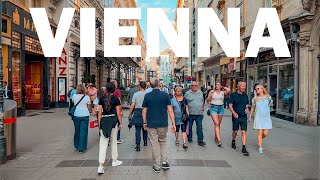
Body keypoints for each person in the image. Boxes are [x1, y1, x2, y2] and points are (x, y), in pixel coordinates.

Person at [142, 78, 176, 173]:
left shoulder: (147, 96)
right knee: (163, 141)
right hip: (163, 123)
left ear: (151, 85)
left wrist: (144, 122)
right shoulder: (165, 95)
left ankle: (157, 165)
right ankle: (165, 162)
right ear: (159, 84)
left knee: (154, 143)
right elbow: (170, 110)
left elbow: (144, 110)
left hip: (151, 124)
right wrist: (173, 123)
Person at [97, 82, 123, 174]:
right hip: (113, 121)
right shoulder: (116, 99)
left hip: (104, 121)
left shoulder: (101, 99)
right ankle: (114, 160)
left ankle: (100, 165)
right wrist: (120, 123)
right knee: (113, 141)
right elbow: (119, 113)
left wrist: (99, 124)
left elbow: (99, 112)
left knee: (103, 143)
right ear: (114, 89)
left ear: (106, 89)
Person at [249, 85, 273, 154]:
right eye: (256, 89)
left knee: (265, 134)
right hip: (258, 117)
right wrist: (250, 116)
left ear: (262, 89)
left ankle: (259, 140)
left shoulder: (268, 97)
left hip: (266, 117)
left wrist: (271, 103)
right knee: (260, 133)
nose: (257, 90)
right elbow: (253, 108)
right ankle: (260, 147)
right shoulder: (255, 98)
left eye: (258, 88)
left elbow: (271, 104)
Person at [207, 82, 231, 147]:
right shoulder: (212, 92)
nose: (217, 86)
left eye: (218, 85)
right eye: (216, 84)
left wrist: (223, 87)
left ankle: (216, 137)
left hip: (221, 108)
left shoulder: (222, 92)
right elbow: (208, 100)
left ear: (220, 86)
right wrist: (210, 96)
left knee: (218, 124)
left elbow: (229, 90)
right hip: (213, 108)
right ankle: (219, 140)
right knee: (217, 123)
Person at [229, 82, 250, 156]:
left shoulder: (246, 95)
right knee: (235, 131)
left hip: (243, 116)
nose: (244, 87)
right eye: (242, 86)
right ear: (238, 87)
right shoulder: (233, 95)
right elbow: (230, 105)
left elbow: (246, 105)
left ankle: (244, 147)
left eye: (245, 86)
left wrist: (247, 109)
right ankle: (233, 140)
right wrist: (234, 113)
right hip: (236, 116)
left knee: (243, 132)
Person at [184, 81, 206, 146]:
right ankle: (189, 137)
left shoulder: (200, 92)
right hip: (190, 113)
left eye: (195, 85)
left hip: (199, 114)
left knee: (199, 127)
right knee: (189, 127)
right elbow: (184, 103)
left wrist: (202, 108)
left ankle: (200, 140)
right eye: (193, 85)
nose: (194, 86)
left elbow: (202, 100)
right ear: (191, 86)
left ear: (197, 86)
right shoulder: (187, 93)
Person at [129, 81, 148, 151]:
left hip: (137, 111)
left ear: (139, 86)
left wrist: (130, 113)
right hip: (146, 111)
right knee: (145, 126)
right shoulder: (147, 94)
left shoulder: (136, 94)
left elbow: (132, 104)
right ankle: (145, 141)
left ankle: (137, 144)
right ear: (146, 87)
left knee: (137, 129)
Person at [72, 84, 91, 153]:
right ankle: (82, 147)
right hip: (85, 115)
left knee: (77, 130)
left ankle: (76, 145)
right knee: (83, 131)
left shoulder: (74, 96)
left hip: (76, 115)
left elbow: (73, 103)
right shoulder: (87, 97)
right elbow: (89, 107)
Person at [111, 80, 124, 144]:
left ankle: (109, 138)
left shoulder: (105, 91)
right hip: (116, 109)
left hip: (108, 110)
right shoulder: (117, 91)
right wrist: (121, 110)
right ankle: (117, 138)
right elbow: (119, 101)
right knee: (118, 123)